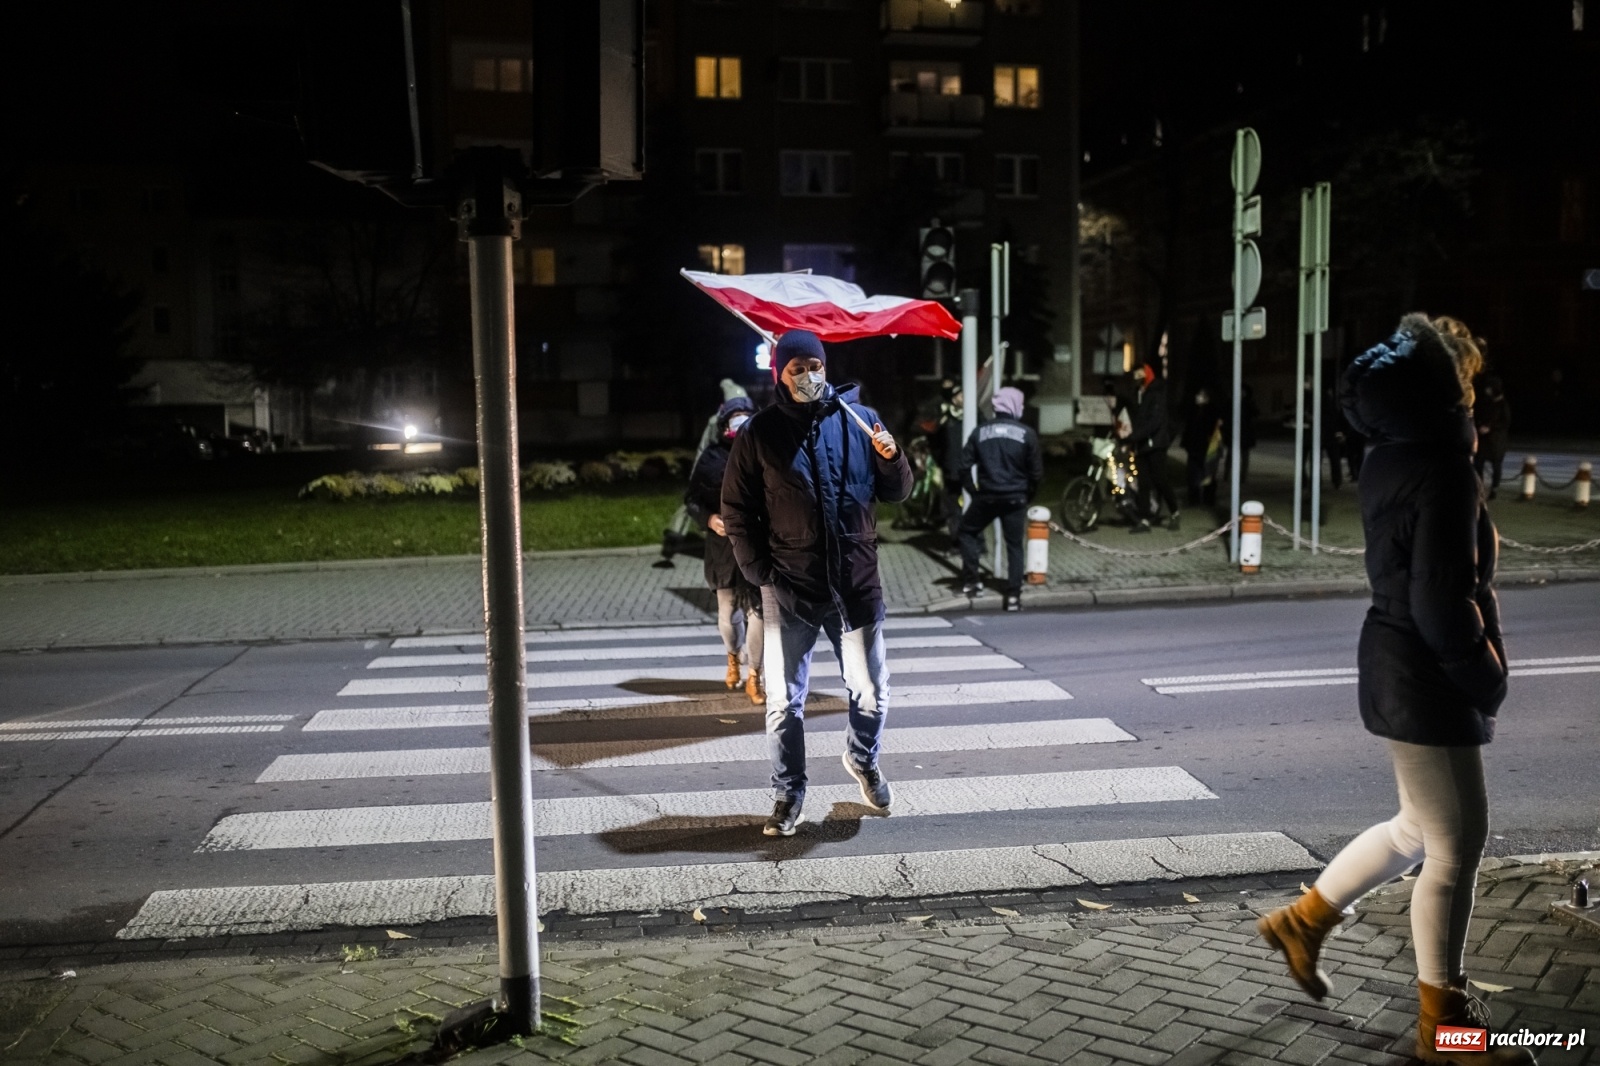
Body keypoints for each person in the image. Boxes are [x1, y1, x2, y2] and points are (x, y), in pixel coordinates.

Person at [1257, 314, 1532, 1065]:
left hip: (1399, 662)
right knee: (1455, 846)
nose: (1474, 396)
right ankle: (1445, 1026)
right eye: (1465, 382)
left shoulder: (1394, 455)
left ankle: (1304, 921)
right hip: (1427, 670)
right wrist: (1487, 675)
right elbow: (1443, 601)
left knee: (1417, 830)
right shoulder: (1441, 467)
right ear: (1445, 394)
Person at [721, 330, 913, 838]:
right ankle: (789, 792)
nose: (808, 375)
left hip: (855, 583)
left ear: (826, 366)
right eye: (796, 368)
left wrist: (893, 459)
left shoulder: (861, 420)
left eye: (814, 365)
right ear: (779, 375)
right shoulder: (760, 434)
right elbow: (736, 510)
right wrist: (760, 572)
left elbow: (896, 492)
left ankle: (862, 758)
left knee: (871, 691)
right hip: (790, 588)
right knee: (785, 702)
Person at [684, 396, 764, 705]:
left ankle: (755, 676)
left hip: (758, 544)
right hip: (723, 546)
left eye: (746, 415)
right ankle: (734, 657)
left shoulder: (763, 453)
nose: (740, 421)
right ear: (724, 424)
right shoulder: (712, 458)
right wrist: (708, 518)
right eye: (735, 416)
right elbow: (691, 499)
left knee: (758, 614)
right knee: (729, 613)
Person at [957, 386, 1042, 611]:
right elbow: (1036, 473)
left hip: (987, 496)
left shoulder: (979, 432)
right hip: (1015, 498)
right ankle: (1013, 596)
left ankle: (973, 582)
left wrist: (974, 492)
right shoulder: (1027, 434)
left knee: (967, 531)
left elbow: (963, 468)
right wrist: (1027, 495)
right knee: (1014, 545)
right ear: (1016, 405)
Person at [660, 379, 750, 567]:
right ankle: (675, 536)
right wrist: (699, 472)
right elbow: (705, 448)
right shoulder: (716, 421)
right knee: (695, 505)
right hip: (713, 470)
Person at [1119, 362, 1179, 532]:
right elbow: (1133, 417)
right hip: (1141, 445)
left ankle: (1175, 512)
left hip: (1155, 445)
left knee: (1160, 480)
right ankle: (1144, 520)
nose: (1137, 377)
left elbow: (1154, 422)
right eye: (1135, 374)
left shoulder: (1156, 393)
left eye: (1140, 373)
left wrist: (1133, 437)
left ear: (1146, 374)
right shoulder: (1138, 393)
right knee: (1143, 483)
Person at [1181, 386, 1224, 507]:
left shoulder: (1212, 412)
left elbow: (1213, 430)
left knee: (1208, 474)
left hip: (1208, 448)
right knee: (1192, 474)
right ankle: (1194, 499)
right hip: (1194, 448)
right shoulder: (1194, 410)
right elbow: (1189, 429)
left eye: (1200, 395)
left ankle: (1208, 499)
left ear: (1206, 398)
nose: (1197, 398)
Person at [1474, 372, 1510, 498]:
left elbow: (1505, 423)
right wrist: (1480, 426)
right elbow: (1480, 416)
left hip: (1496, 441)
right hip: (1484, 440)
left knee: (1496, 466)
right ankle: (1479, 487)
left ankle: (1494, 488)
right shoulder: (1487, 403)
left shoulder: (1503, 405)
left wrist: (1490, 428)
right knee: (1478, 463)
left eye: (1489, 387)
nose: (1487, 390)